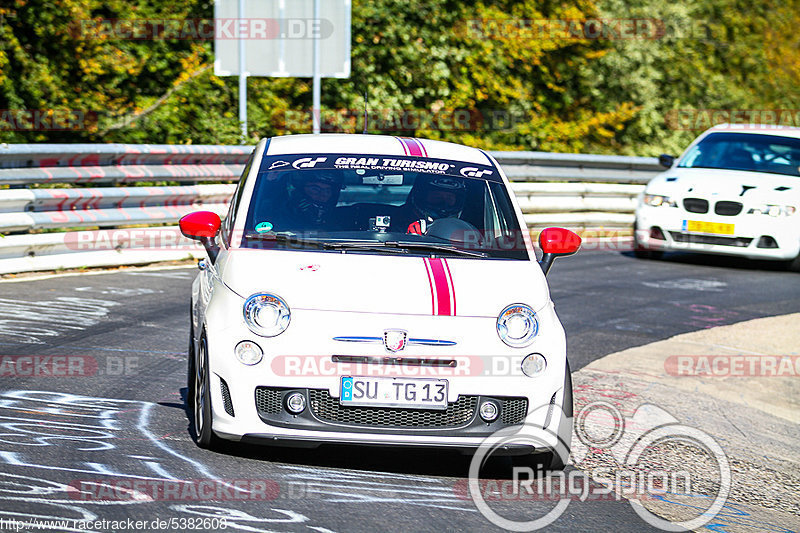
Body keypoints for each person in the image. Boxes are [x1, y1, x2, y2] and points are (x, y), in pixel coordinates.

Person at [275, 170, 344, 230]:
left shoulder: (341, 218)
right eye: (315, 189)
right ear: (300, 190)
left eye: (327, 190)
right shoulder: (279, 213)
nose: (322, 195)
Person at [399, 176, 467, 234]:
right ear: (421, 197)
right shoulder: (395, 221)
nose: (443, 203)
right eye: (437, 197)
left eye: (449, 198)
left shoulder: (467, 229)